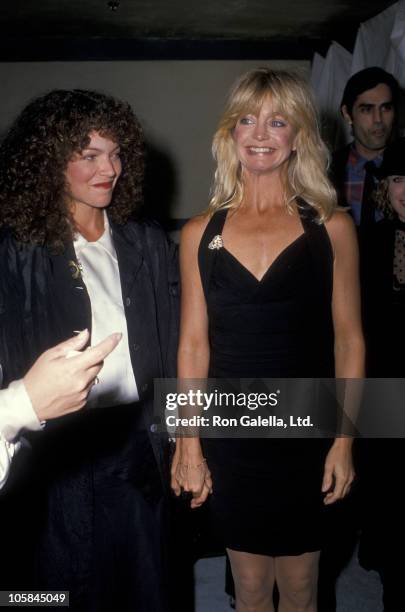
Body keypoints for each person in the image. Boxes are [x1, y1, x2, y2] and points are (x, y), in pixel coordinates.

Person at [172, 68, 363, 612]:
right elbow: (192, 346)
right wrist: (188, 445)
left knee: (303, 587)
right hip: (231, 433)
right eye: (247, 120)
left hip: (308, 430)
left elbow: (350, 342)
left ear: (298, 134)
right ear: (230, 133)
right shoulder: (197, 233)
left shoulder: (332, 228)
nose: (260, 133)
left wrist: (345, 444)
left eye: (278, 121)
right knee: (250, 587)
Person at [0, 89, 178, 611]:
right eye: (90, 155)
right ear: (52, 163)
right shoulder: (17, 251)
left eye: (117, 153)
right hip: (55, 457)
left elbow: (174, 347)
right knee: (55, 593)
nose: (111, 168)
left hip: (136, 444)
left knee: (148, 588)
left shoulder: (145, 241)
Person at [357, 138, 405, 611]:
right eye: (397, 178)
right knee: (386, 491)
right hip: (383, 385)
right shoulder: (369, 240)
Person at [0, 330, 121, 490]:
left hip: (142, 423)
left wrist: (167, 432)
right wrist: (23, 403)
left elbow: (165, 365)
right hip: (77, 446)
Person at [330, 67, 399, 231]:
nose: (378, 120)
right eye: (367, 109)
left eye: (386, 108)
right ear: (347, 113)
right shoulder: (326, 170)